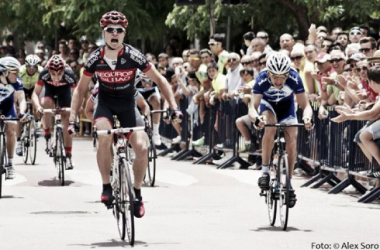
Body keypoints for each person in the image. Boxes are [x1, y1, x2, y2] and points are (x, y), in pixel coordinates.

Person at [68, 11, 182, 218]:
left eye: (119, 30)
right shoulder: (95, 58)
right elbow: (80, 89)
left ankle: (137, 193)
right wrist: (74, 119)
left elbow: (160, 80)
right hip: (105, 104)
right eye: (109, 30)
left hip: (128, 105)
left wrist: (174, 107)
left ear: (124, 33)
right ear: (103, 32)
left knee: (142, 147)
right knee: (104, 136)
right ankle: (106, 187)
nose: (114, 33)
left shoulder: (133, 55)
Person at [248, 52, 313, 208]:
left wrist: (307, 118)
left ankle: (289, 182)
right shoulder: (262, 78)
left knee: (292, 138)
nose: (278, 81)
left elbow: (306, 106)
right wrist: (257, 119)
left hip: (286, 107)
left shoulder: (295, 78)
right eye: (275, 77)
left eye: (282, 77)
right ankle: (264, 171)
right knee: (269, 125)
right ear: (269, 73)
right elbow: (252, 107)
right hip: (268, 106)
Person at [31, 55, 77, 170]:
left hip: (64, 92)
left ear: (63, 71)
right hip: (49, 91)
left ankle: (68, 155)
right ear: (49, 71)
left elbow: (77, 95)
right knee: (46, 103)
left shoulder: (69, 74)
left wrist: (75, 111)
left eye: (59, 74)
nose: (56, 78)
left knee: (66, 118)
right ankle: (47, 135)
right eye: (53, 74)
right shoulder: (44, 73)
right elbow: (35, 94)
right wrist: (37, 106)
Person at [0, 58, 27, 179]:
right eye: (15, 72)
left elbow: (22, 99)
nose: (17, 75)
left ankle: (10, 164)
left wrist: (22, 113)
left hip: (7, 107)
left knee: (11, 128)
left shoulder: (17, 82)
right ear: (5, 72)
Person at [16, 55, 44, 156]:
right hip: (22, 88)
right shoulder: (20, 71)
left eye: (34, 67)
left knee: (36, 104)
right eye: (29, 67)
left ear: (37, 67)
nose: (31, 69)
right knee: (20, 112)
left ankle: (36, 125)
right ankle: (18, 142)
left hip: (34, 88)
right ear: (26, 66)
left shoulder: (41, 71)